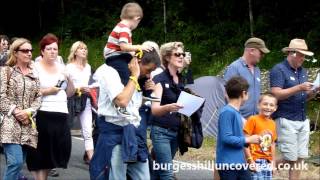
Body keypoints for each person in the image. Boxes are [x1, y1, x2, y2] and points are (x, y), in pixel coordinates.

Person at [89, 49, 160, 180]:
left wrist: (147, 93)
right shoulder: (109, 71)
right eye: (148, 70)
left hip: (134, 135)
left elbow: (133, 106)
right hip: (113, 135)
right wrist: (134, 76)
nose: (149, 75)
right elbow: (122, 101)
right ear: (137, 62)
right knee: (117, 177)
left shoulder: (136, 77)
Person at [26, 33, 75, 180]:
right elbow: (29, 92)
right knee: (40, 154)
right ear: (42, 51)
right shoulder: (34, 67)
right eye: (49, 49)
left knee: (53, 155)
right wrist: (48, 91)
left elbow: (70, 93)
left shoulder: (62, 67)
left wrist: (70, 79)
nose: (53, 51)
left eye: (55, 49)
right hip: (42, 113)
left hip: (60, 114)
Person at [269, 38, 319, 180]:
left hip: (302, 119)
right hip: (285, 118)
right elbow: (275, 94)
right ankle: (266, 167)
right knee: (290, 158)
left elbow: (304, 96)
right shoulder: (278, 69)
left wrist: (314, 91)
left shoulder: (303, 71)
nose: (303, 58)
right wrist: (299, 88)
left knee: (300, 158)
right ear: (292, 53)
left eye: (304, 55)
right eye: (301, 55)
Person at [0, 38, 41, 180]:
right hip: (10, 124)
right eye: (25, 50)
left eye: (30, 50)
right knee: (16, 163)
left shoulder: (34, 75)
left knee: (18, 164)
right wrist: (16, 111)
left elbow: (38, 97)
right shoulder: (6, 71)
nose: (29, 53)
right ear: (15, 53)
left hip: (28, 125)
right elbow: (1, 96)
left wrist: (29, 111)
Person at [150, 42, 187, 179]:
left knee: (160, 170)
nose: (181, 57)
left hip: (176, 131)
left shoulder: (182, 79)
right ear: (167, 57)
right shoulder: (159, 79)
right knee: (167, 173)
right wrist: (168, 107)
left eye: (182, 54)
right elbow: (154, 109)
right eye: (177, 54)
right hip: (161, 132)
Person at [215, 76, 261, 179]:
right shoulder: (227, 112)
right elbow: (226, 138)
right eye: (247, 92)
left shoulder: (235, 113)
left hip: (239, 162)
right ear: (244, 93)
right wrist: (249, 139)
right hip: (228, 163)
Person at [103, 2, 152, 85]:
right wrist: (139, 47)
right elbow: (123, 47)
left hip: (119, 55)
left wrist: (135, 54)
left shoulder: (121, 27)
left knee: (136, 66)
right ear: (136, 18)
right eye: (138, 23)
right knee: (126, 76)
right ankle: (127, 90)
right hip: (115, 58)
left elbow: (126, 49)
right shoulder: (124, 29)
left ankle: (138, 86)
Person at [224, 37, 270, 119]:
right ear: (252, 51)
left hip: (255, 119)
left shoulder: (257, 69)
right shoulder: (235, 67)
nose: (263, 55)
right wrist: (237, 116)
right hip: (239, 118)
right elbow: (227, 94)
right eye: (261, 52)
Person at [66, 41, 94, 163]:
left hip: (85, 100)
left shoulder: (88, 67)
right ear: (75, 51)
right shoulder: (68, 67)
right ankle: (55, 159)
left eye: (85, 48)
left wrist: (90, 89)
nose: (84, 50)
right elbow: (65, 86)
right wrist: (78, 88)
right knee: (64, 129)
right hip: (70, 100)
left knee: (88, 131)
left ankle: (92, 160)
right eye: (81, 48)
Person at [244, 93, 278, 180]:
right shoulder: (253, 119)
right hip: (254, 159)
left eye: (271, 105)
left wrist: (273, 163)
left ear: (275, 108)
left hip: (267, 161)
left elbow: (272, 144)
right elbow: (245, 142)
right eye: (265, 104)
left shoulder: (273, 123)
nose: (268, 107)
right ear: (259, 105)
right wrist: (250, 160)